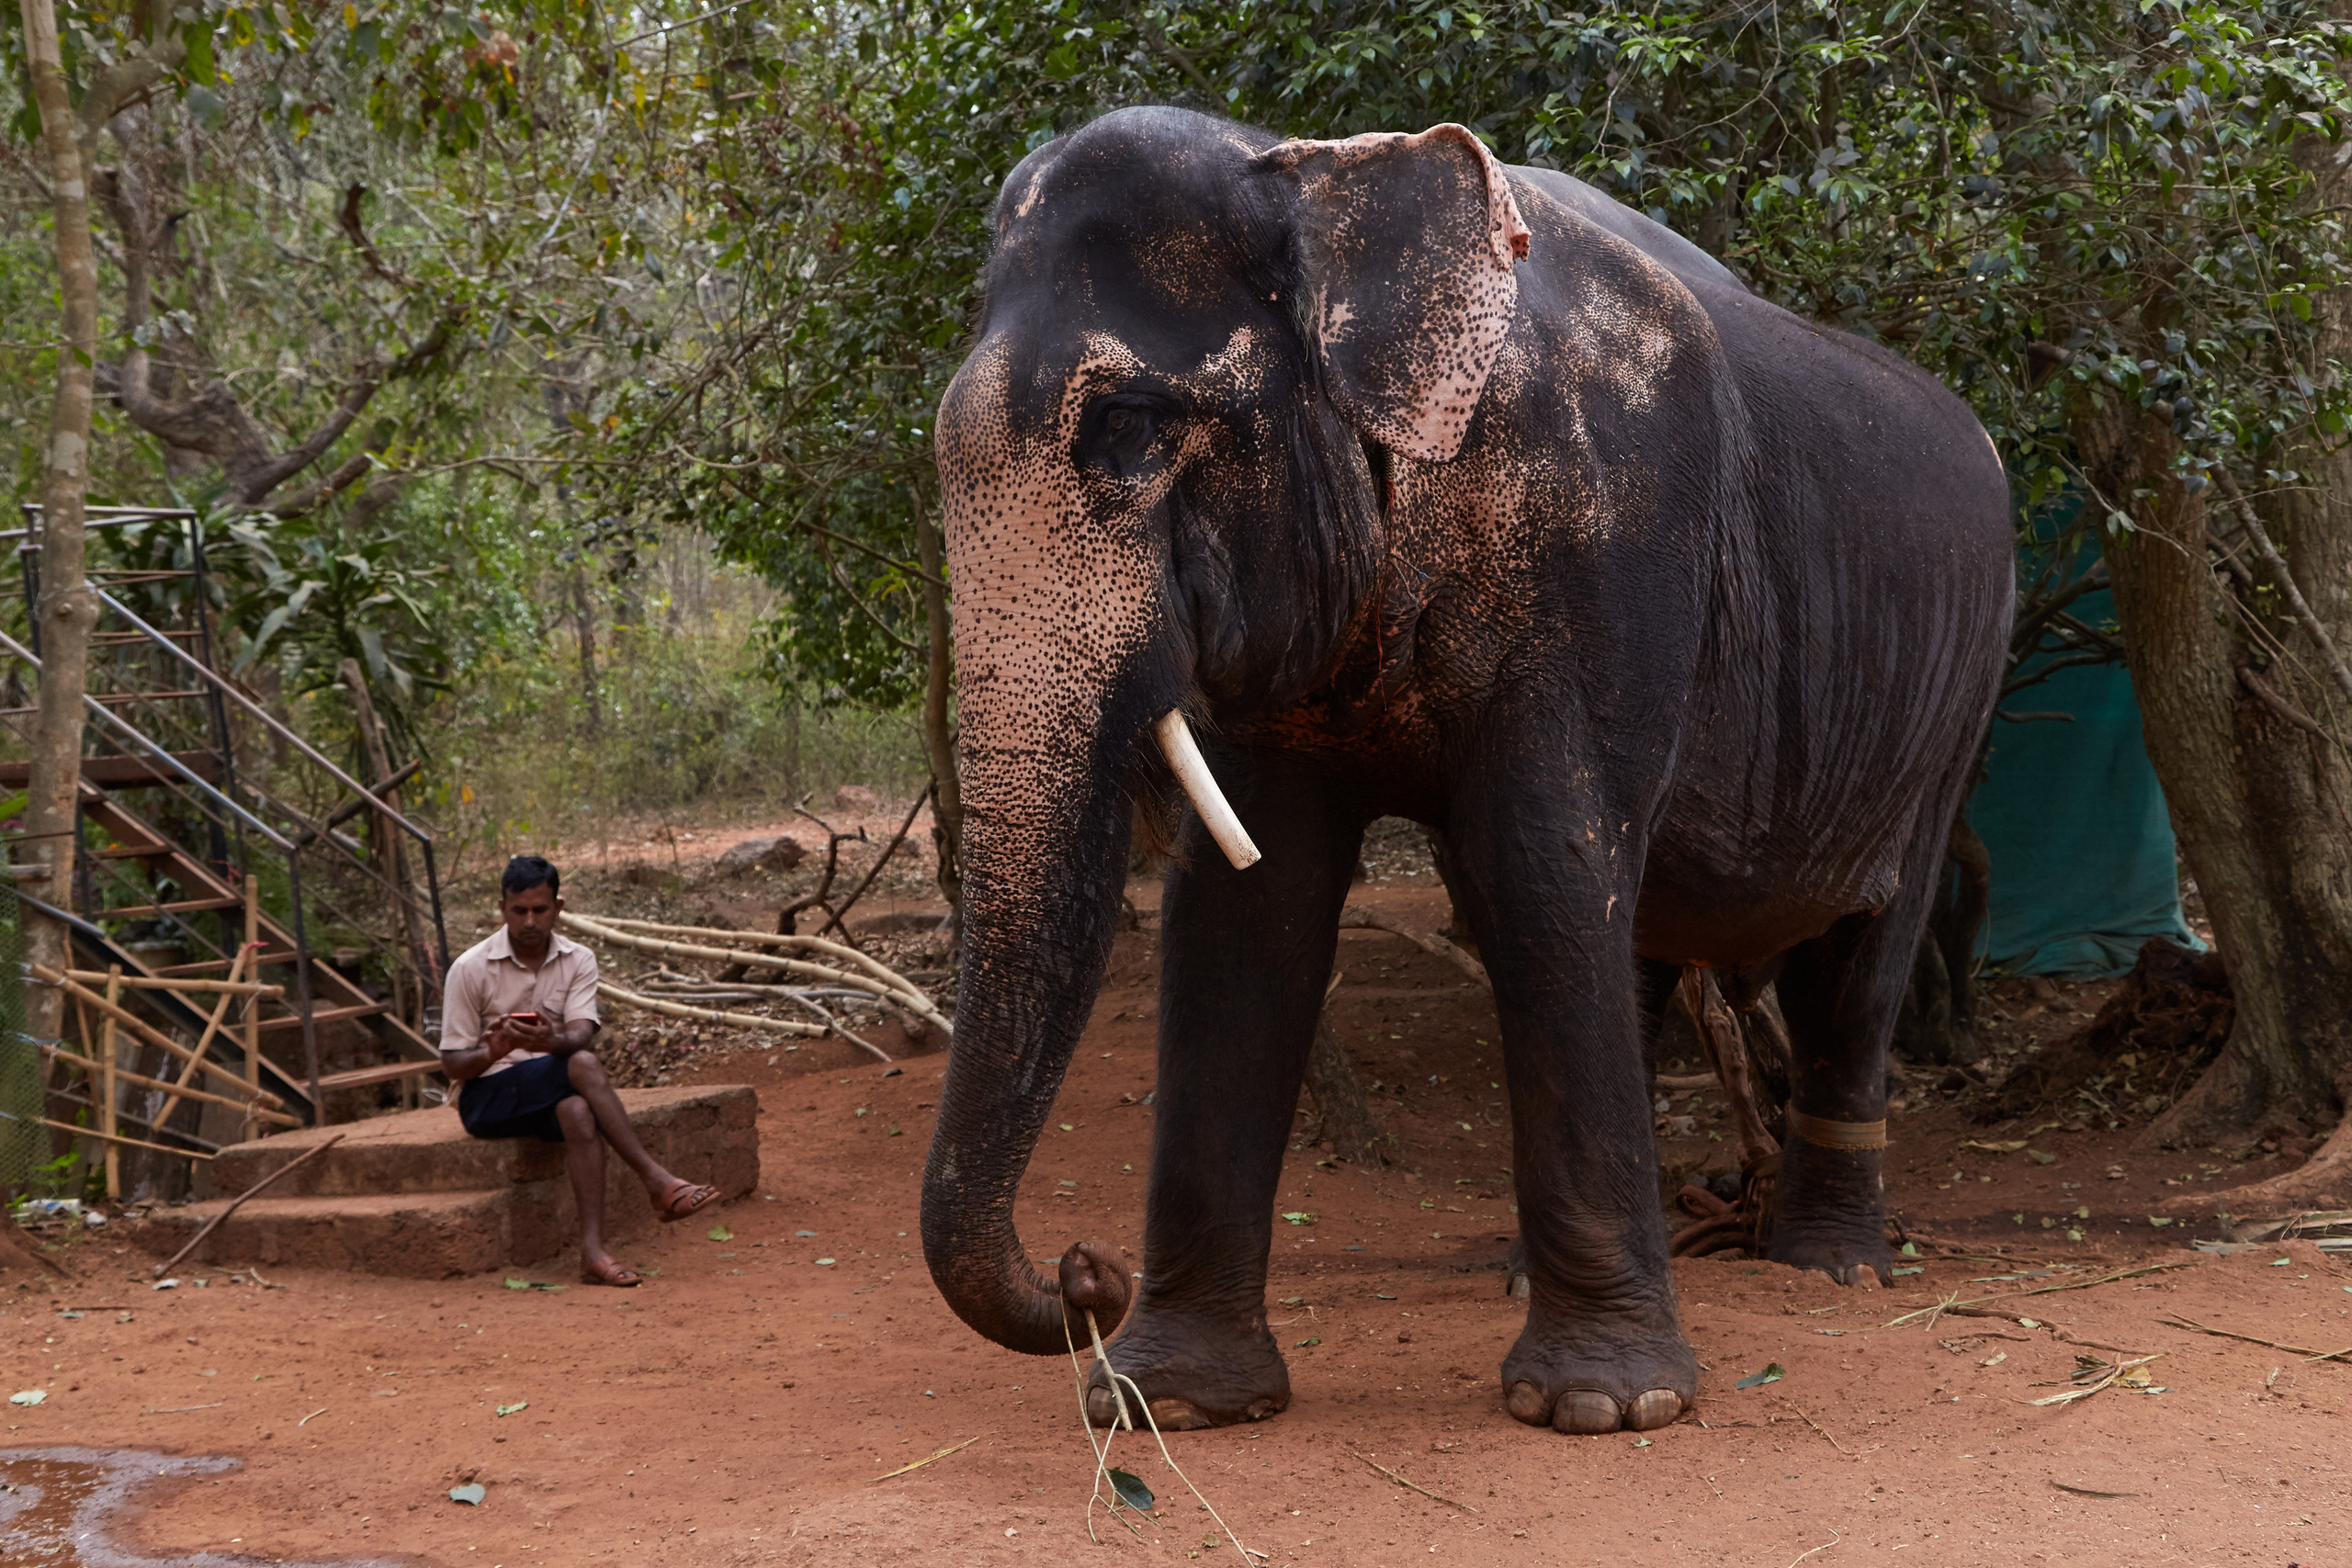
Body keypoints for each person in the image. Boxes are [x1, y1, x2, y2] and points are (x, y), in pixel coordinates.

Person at [439, 855, 718, 1285]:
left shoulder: (578, 959)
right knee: (582, 1065)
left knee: (578, 1111)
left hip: (549, 1092)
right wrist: (493, 1051)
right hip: (487, 1099)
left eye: (540, 910)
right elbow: (452, 1063)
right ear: (502, 909)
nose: (529, 921)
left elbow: (580, 1033)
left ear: (558, 907)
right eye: (519, 910)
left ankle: (592, 1254)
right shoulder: (470, 967)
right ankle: (655, 1180)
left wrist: (549, 1041)